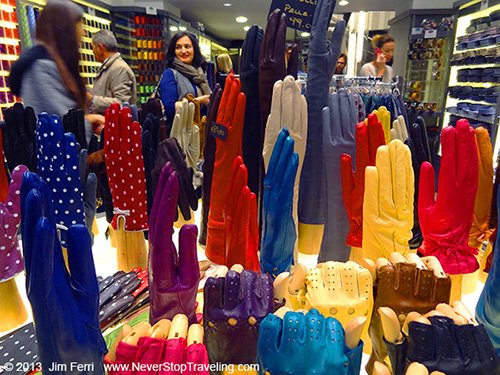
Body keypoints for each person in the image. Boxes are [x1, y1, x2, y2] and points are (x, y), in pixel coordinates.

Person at [9, 0, 103, 136]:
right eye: (78, 26)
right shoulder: (40, 68)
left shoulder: (56, 64)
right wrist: (87, 121)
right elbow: (58, 124)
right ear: (64, 29)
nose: (82, 33)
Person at [158, 32, 211, 127]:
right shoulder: (170, 74)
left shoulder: (199, 73)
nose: (183, 51)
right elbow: (170, 109)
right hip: (180, 134)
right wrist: (199, 101)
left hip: (199, 131)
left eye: (187, 46)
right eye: (178, 47)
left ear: (194, 49)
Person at [88, 30, 136, 114]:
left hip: (116, 126)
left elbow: (122, 103)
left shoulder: (119, 69)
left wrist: (92, 100)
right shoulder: (110, 67)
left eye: (93, 47)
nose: (92, 51)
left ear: (100, 48)